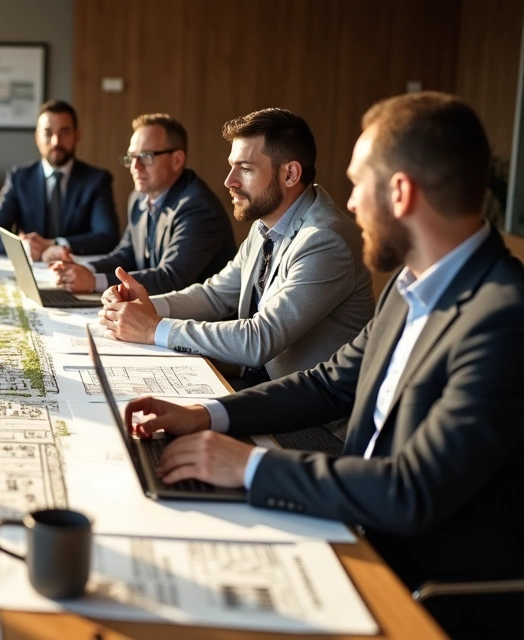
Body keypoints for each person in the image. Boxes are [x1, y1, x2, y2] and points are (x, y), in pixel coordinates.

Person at [123, 92, 524, 640]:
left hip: (416, 586)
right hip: (350, 515)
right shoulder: (410, 286)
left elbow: (413, 489)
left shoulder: (504, 317)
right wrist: (209, 414)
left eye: (359, 184)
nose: (350, 204)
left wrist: (250, 467)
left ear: (400, 192)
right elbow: (329, 383)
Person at [98, 108, 373, 390]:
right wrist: (144, 306)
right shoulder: (265, 224)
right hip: (258, 390)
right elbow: (215, 294)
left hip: (306, 411)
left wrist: (153, 328)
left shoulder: (324, 240)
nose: (229, 181)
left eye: (246, 168)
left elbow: (259, 339)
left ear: (290, 174)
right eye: (232, 166)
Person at [51, 113, 235, 295]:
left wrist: (94, 281)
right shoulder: (139, 197)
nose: (135, 166)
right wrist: (83, 269)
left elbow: (170, 278)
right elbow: (127, 254)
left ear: (177, 160)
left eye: (146, 156)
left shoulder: (198, 207)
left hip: (197, 313)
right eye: (132, 157)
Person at [0, 100, 120, 258]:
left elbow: (108, 237)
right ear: (37, 137)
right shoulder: (19, 178)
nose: (56, 141)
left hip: (74, 266)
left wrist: (56, 244)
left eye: (65, 132)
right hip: (32, 266)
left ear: (77, 136)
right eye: (48, 133)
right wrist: (22, 247)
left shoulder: (97, 180)